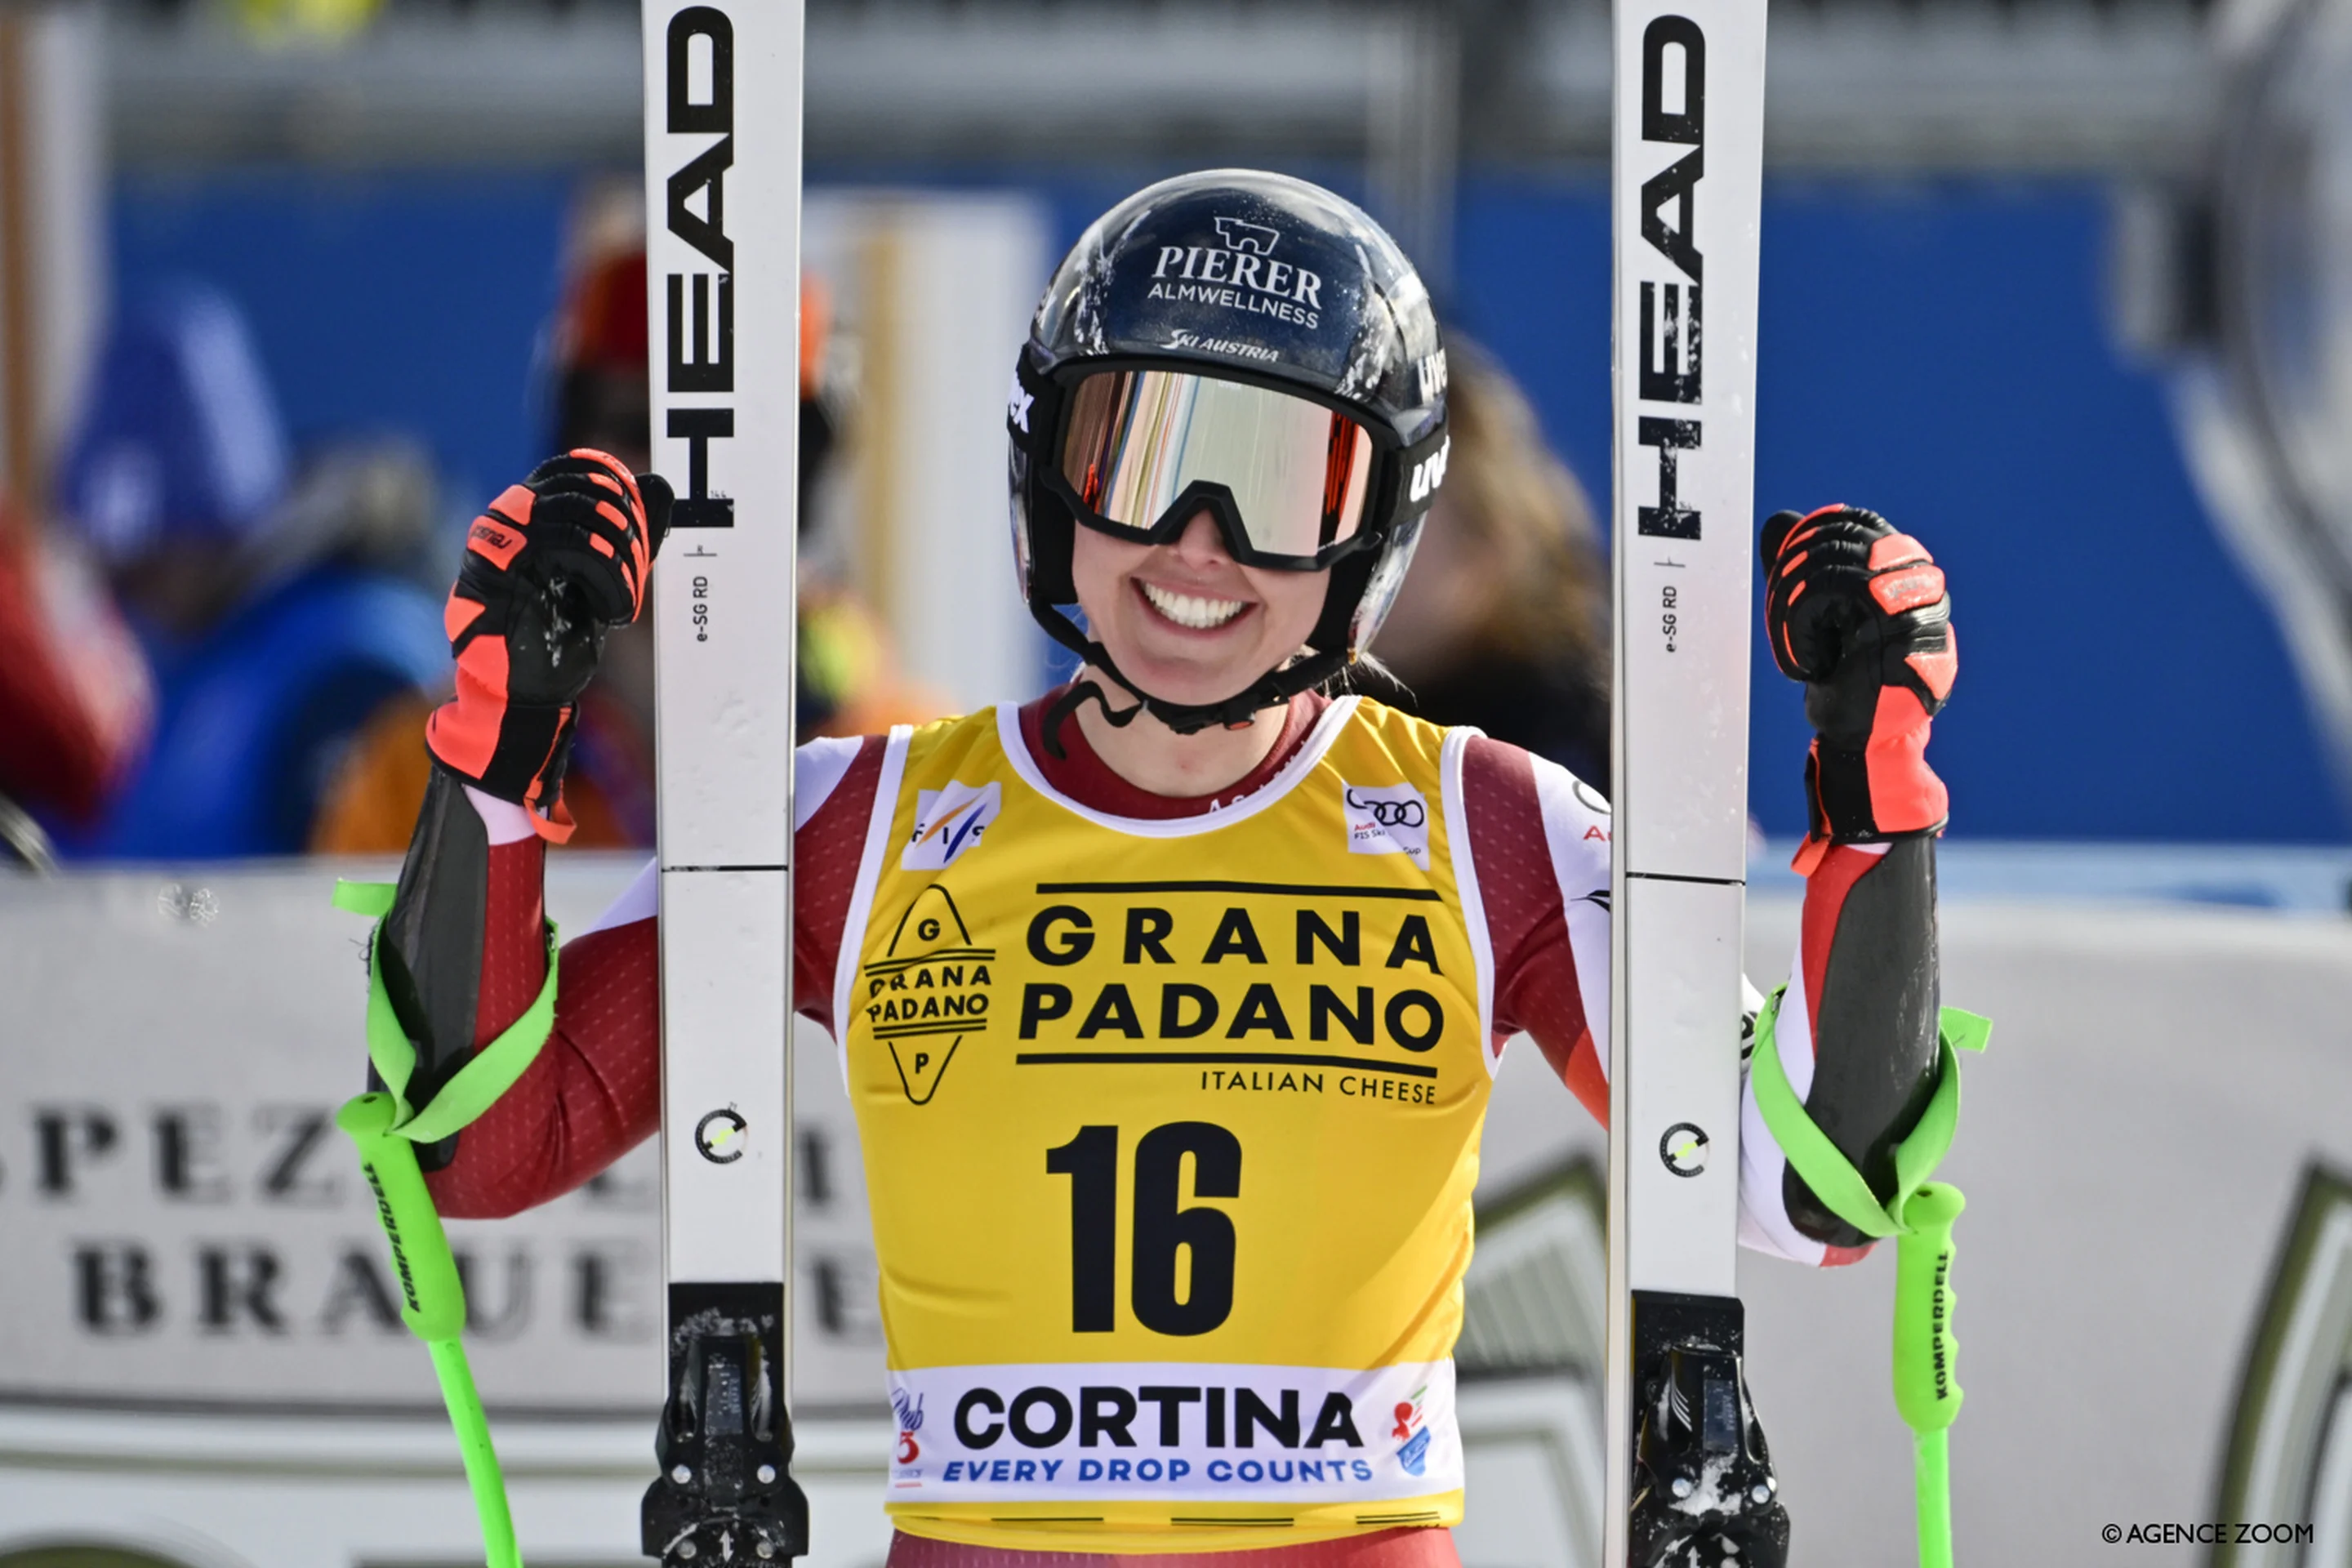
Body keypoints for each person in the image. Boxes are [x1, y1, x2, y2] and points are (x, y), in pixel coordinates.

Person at [368, 172, 1958, 1566]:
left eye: (1279, 486)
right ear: (1047, 476)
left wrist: (1873, 795)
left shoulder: (1497, 826)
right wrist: (503, 745)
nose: (1198, 544)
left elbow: (1802, 1188)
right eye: (1139, 455)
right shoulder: (848, 821)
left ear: (1374, 534)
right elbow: (488, 1140)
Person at [1359, 339, 1610, 784]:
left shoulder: (1592, 729)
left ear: (1492, 535)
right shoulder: (1276, 705)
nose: (1357, 537)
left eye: (1391, 500)